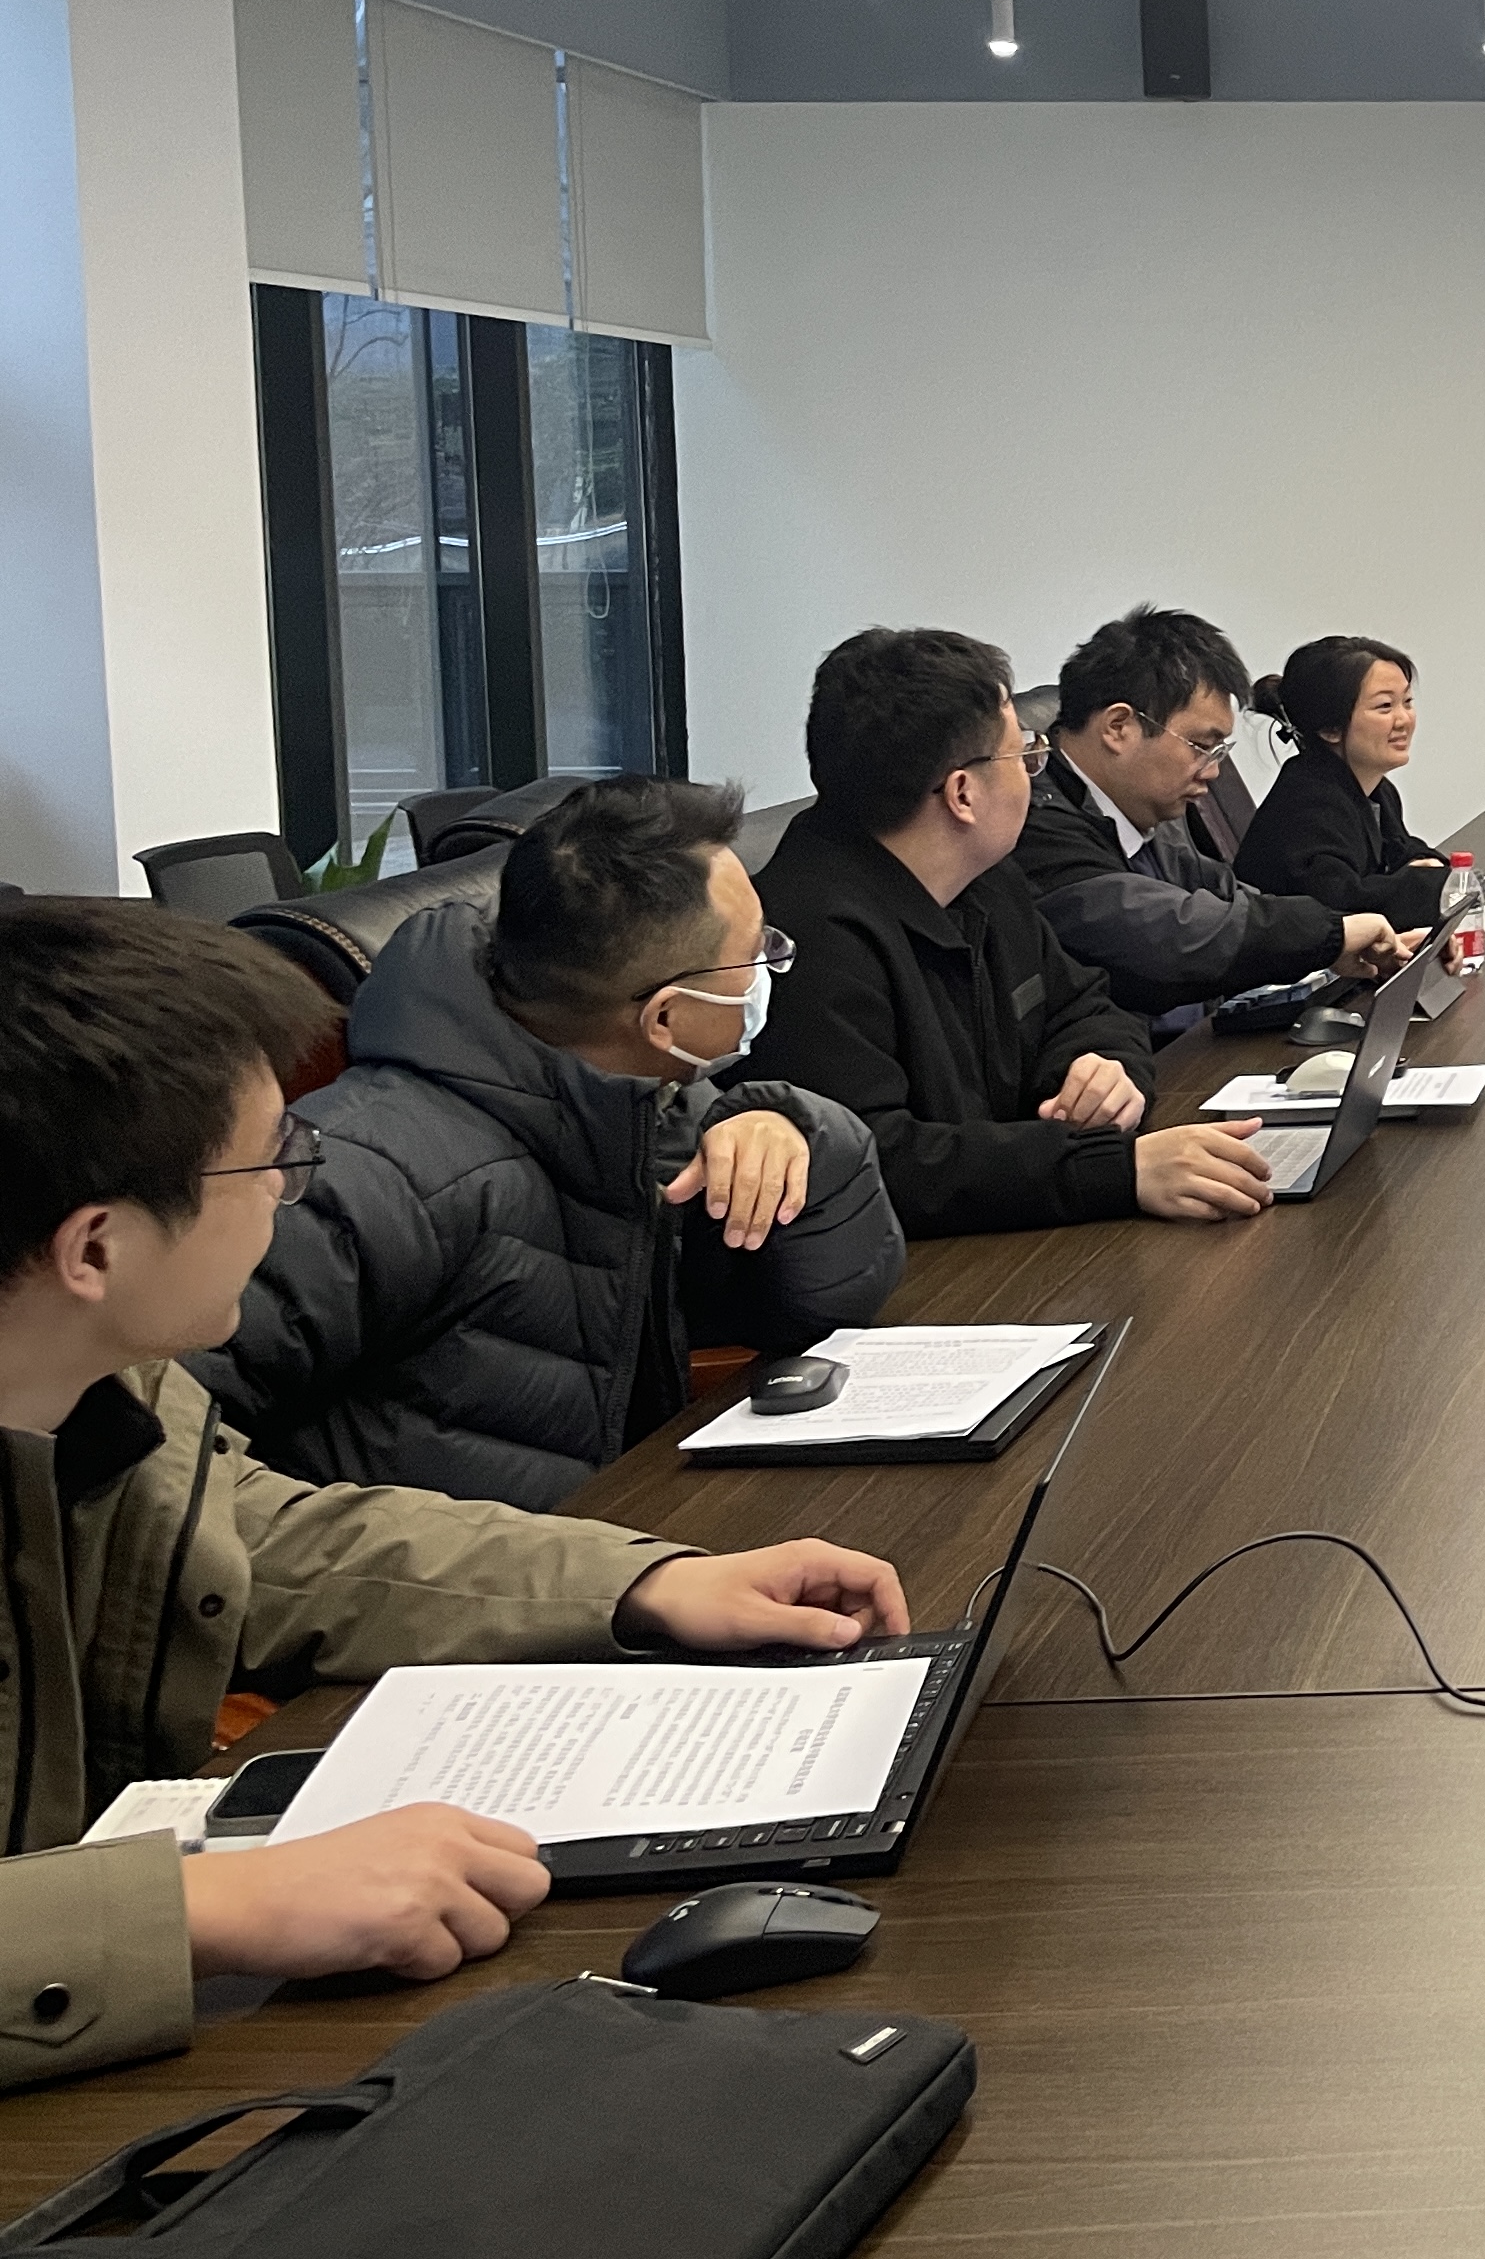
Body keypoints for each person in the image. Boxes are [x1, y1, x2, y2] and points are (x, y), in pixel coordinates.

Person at [0, 897, 909, 2096]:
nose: (288, 1191)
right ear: (96, 1249)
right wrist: (207, 1908)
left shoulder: (111, 1389)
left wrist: (645, 1584)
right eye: (270, 1160)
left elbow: (260, 1536)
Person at [190, 777, 905, 1511]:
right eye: (756, 955)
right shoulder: (359, 1180)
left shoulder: (644, 1101)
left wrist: (797, 1131)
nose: (769, 970)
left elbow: (820, 1307)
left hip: (611, 1531)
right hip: (453, 1572)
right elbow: (166, 1466)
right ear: (665, 1018)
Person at [750, 628, 1274, 1232]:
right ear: (963, 794)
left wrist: (1101, 1070)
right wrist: (1114, 1170)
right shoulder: (805, 939)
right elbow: (879, 1159)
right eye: (1022, 754)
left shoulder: (986, 879)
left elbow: (1087, 1004)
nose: (1035, 770)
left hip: (1019, 1228)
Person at [1015, 604, 1414, 1016]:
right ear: (1118, 728)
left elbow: (1225, 893)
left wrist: (1349, 939)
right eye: (1202, 747)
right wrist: (1332, 935)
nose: (1214, 771)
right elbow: (1172, 931)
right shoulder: (1033, 825)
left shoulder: (1146, 812)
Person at [1236, 635, 1452, 932]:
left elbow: (1401, 852)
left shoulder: (1378, 790)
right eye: (1385, 706)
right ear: (1330, 729)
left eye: (1407, 702)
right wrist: (1427, 882)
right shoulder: (1308, 803)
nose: (1404, 719)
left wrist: (1426, 865)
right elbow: (1341, 905)